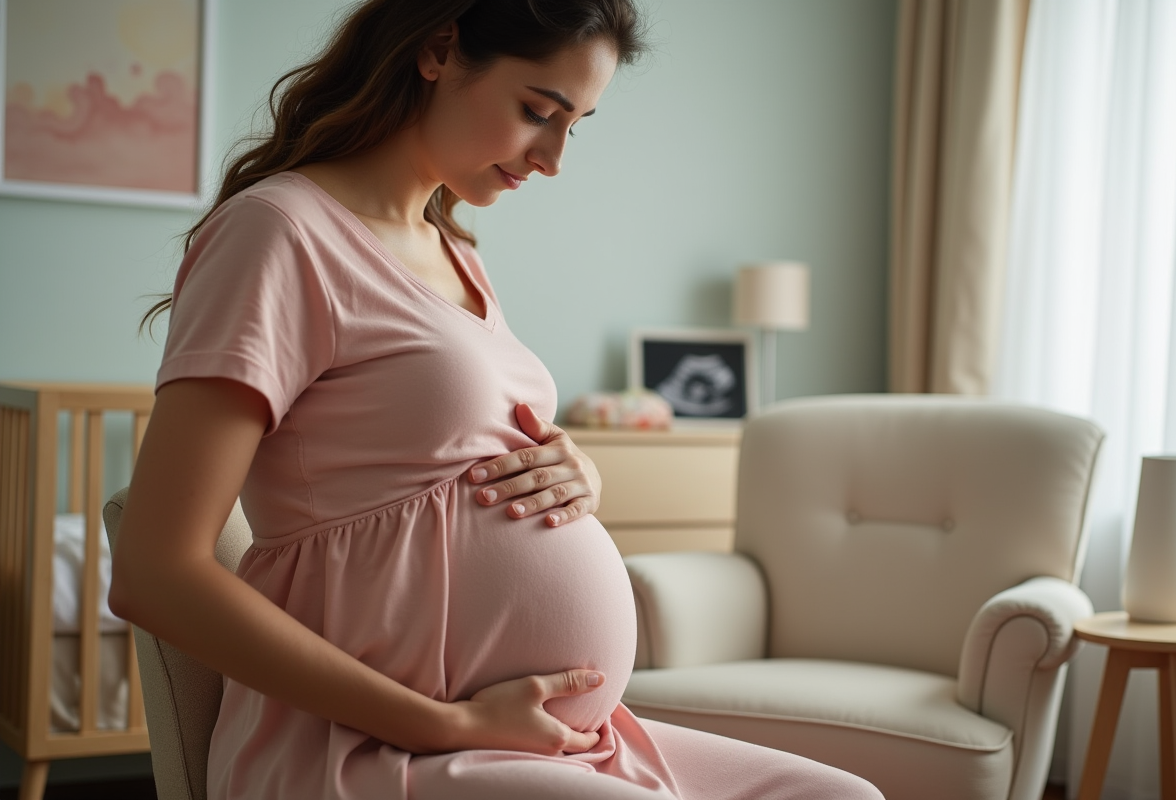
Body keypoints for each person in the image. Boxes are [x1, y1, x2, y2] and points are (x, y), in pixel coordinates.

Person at [110, 1, 885, 798]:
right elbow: (153, 569)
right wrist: (443, 723)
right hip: (376, 747)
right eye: (536, 112)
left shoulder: (457, 253)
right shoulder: (278, 232)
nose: (551, 158)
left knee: (843, 796)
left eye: (573, 125)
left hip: (556, 740)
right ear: (439, 51)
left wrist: (577, 477)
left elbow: (450, 452)